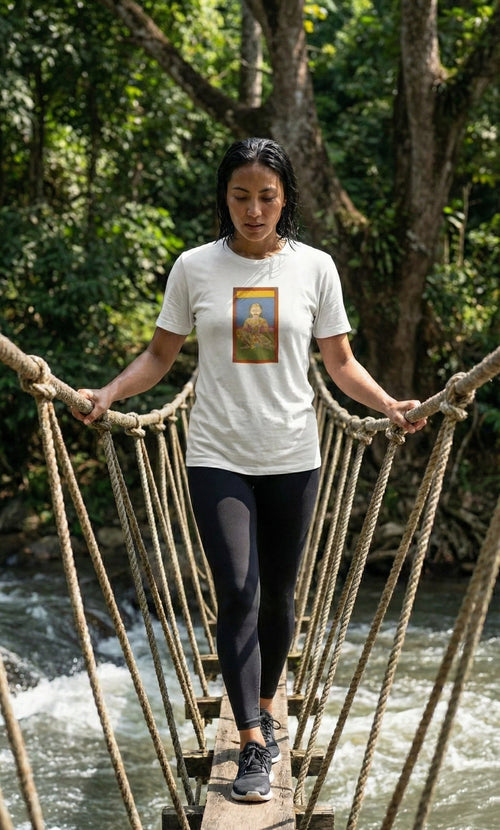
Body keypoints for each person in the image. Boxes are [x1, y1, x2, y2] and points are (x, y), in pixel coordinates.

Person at [71, 137, 426, 803]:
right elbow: (159, 356)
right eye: (240, 196)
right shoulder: (194, 268)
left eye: (266, 196)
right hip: (215, 453)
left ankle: (266, 700)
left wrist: (389, 406)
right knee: (236, 589)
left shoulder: (314, 268)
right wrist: (110, 393)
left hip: (293, 453)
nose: (253, 210)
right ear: (224, 198)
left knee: (281, 597)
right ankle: (254, 739)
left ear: (286, 197)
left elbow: (340, 364)